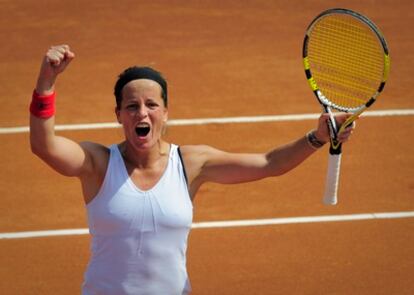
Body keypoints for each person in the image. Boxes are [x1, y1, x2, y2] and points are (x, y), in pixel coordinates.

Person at [30, 45, 355, 295]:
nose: (142, 113)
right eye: (132, 106)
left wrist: (317, 138)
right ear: (118, 115)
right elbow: (44, 145)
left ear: (166, 113)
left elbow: (269, 164)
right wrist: (46, 82)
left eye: (151, 105)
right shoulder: (98, 163)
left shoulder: (190, 163)